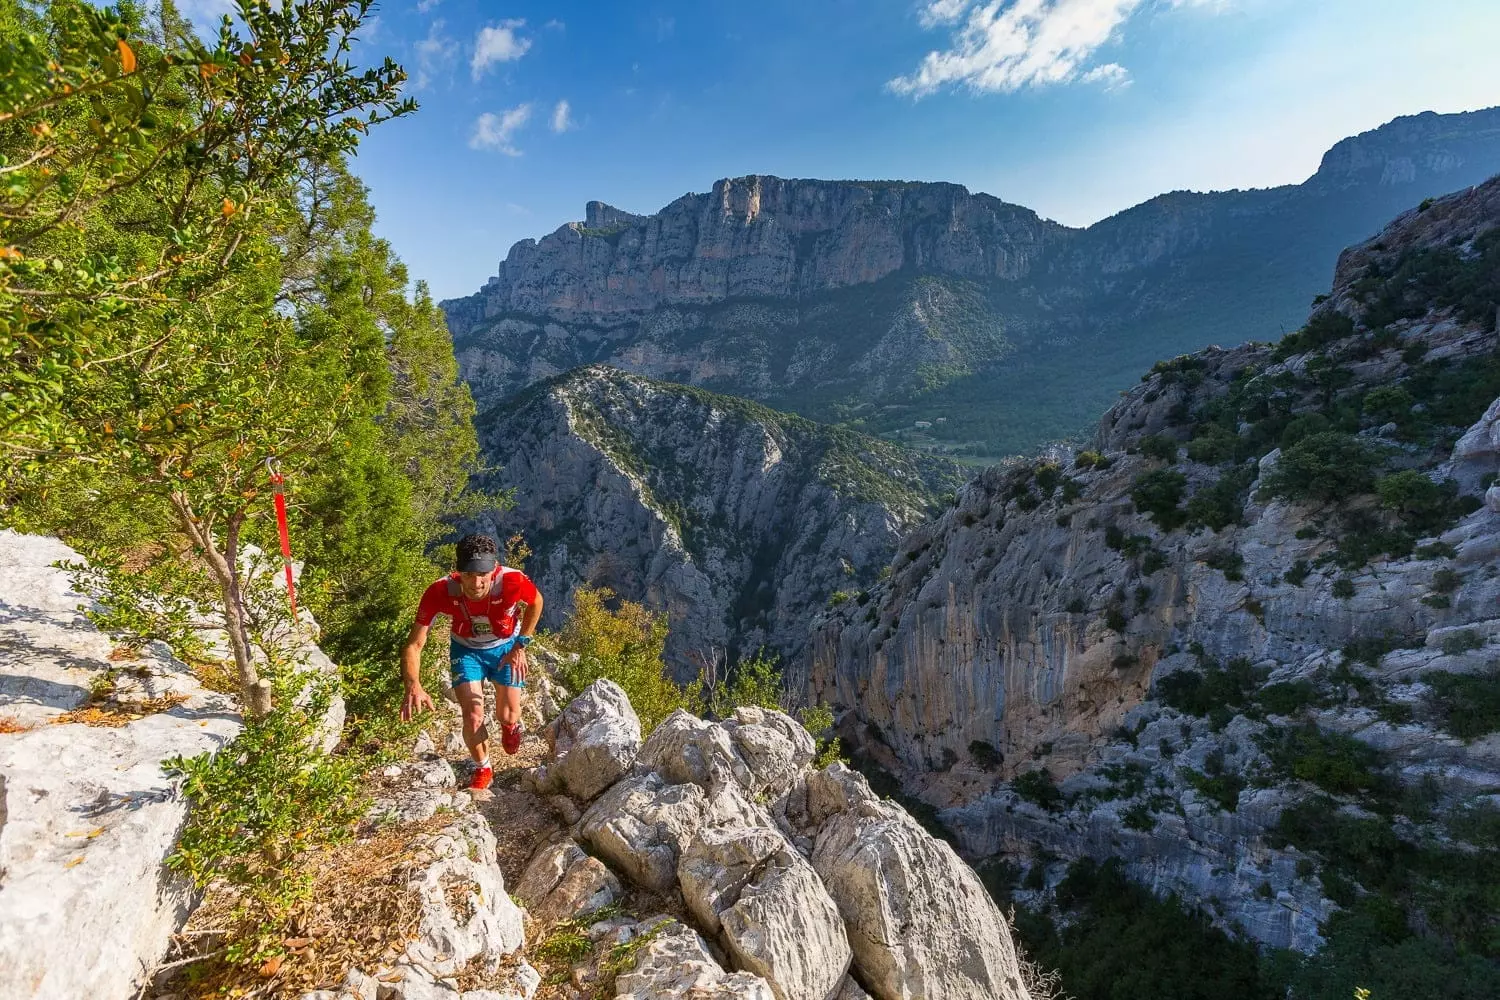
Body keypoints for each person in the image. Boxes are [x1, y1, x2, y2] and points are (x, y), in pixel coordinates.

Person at [399, 533, 544, 790]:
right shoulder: (440, 591)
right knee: (473, 715)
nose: (476, 583)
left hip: (506, 646)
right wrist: (413, 684)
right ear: (457, 572)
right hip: (466, 650)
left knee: (508, 714)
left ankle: (510, 728)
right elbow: (414, 644)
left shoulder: (512, 580)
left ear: (494, 570)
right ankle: (483, 767)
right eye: (468, 575)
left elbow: (536, 602)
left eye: (483, 575)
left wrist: (522, 644)